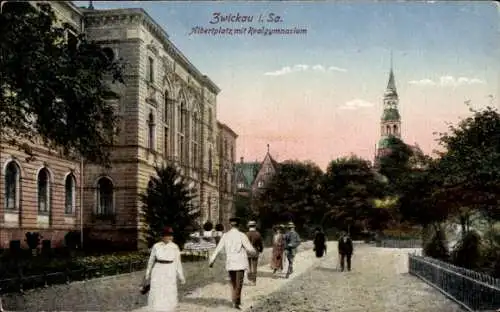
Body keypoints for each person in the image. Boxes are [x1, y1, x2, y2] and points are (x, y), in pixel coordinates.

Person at [209, 217, 256, 310]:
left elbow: (218, 248)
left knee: (233, 283)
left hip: (230, 262)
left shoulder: (225, 235)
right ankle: (236, 301)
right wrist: (254, 252)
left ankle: (235, 300)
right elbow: (249, 248)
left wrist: (212, 260)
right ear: (238, 225)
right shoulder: (242, 235)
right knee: (239, 283)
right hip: (240, 263)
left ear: (230, 225)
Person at [142, 226, 186, 312]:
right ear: (162, 236)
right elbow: (151, 261)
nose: (169, 237)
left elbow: (177, 263)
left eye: (171, 235)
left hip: (170, 269)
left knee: (169, 291)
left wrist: (181, 276)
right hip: (158, 269)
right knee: (157, 291)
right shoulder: (156, 246)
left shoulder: (174, 247)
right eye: (167, 235)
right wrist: (147, 273)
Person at [246, 220, 263, 285]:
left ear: (249, 226)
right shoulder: (258, 234)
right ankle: (254, 281)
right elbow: (260, 244)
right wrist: (261, 250)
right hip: (255, 252)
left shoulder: (246, 234)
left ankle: (249, 280)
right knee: (254, 267)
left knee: (248, 267)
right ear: (255, 226)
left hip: (248, 252)